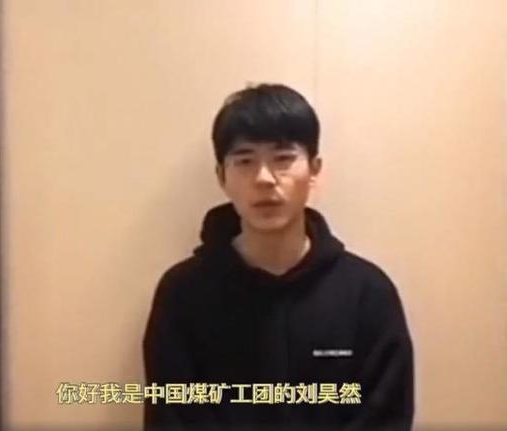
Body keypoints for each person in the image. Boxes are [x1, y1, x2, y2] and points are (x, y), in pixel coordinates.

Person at [143, 83, 414, 431]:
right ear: (221, 176)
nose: (264, 179)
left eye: (283, 158)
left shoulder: (367, 294)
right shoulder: (183, 294)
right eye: (245, 161)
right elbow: (171, 418)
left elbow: (387, 417)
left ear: (314, 169)